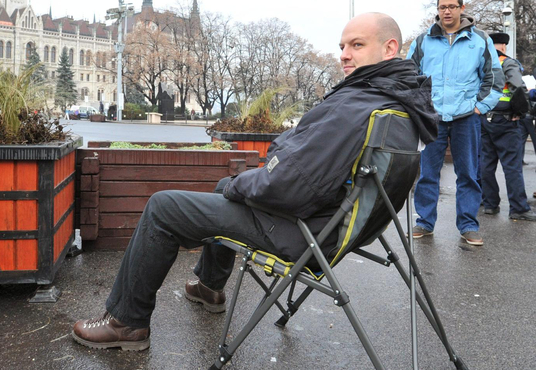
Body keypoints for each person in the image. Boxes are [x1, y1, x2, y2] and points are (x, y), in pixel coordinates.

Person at [71, 13, 439, 351]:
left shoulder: (359, 105)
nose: (344, 54)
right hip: (336, 230)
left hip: (304, 235)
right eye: (342, 46)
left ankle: (126, 323)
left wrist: (242, 182)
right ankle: (209, 288)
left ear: (390, 47)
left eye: (357, 45)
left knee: (165, 206)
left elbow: (289, 185)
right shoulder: (397, 103)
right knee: (223, 189)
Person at [406, 0, 504, 246]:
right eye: (442, 7)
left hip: (467, 118)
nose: (446, 11)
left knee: (468, 174)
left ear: (462, 8)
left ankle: (469, 225)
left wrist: (479, 107)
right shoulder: (423, 40)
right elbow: (408, 76)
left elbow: (494, 77)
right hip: (432, 118)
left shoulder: (480, 39)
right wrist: (420, 108)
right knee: (427, 173)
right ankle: (425, 223)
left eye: (451, 6)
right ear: (437, 10)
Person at [479, 33, 536, 221]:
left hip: (484, 118)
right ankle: (519, 208)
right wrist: (520, 111)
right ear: (503, 45)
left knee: (486, 163)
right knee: (512, 165)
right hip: (506, 119)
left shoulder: (481, 62)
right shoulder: (507, 62)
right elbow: (518, 87)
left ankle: (490, 204)